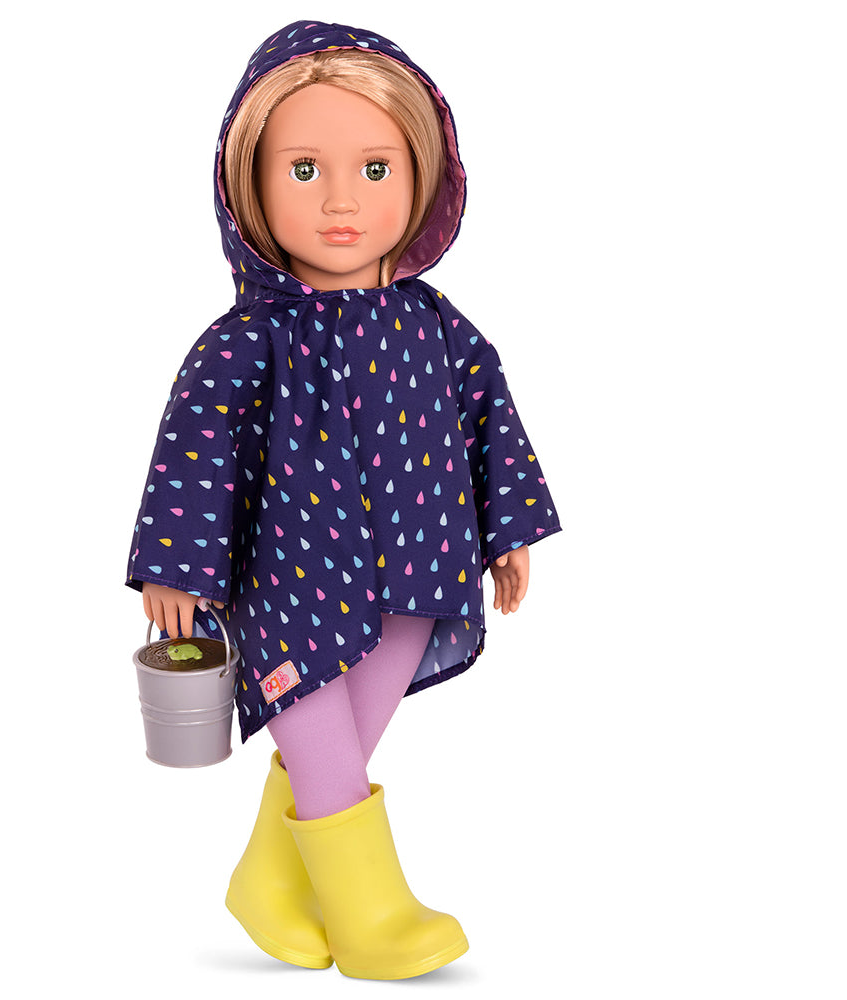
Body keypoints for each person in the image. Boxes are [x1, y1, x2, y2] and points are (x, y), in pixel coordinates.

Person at [127, 20, 561, 980]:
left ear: (423, 177)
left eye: (374, 169)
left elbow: (489, 412)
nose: (339, 201)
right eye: (303, 169)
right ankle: (370, 910)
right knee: (313, 701)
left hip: (424, 553)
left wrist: (508, 527)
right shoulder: (246, 340)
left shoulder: (436, 323)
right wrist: (176, 565)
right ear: (248, 184)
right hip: (293, 564)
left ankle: (271, 878)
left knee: (371, 695)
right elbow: (196, 447)